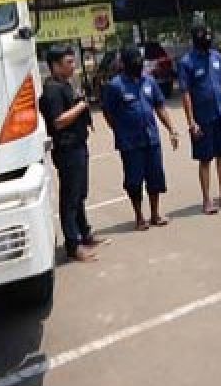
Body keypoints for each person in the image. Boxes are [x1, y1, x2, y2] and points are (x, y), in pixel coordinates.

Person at [101, 47, 181, 231]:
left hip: (151, 139)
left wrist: (171, 129)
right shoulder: (115, 86)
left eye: (140, 61)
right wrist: (119, 129)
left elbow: (159, 107)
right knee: (134, 181)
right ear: (124, 65)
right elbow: (108, 113)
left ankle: (155, 214)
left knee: (155, 178)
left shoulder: (149, 81)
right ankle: (139, 216)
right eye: (134, 62)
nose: (138, 65)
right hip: (130, 143)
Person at [38, 45, 106, 262]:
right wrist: (81, 107)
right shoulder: (52, 90)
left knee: (79, 194)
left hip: (78, 145)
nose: (73, 65)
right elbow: (58, 122)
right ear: (55, 66)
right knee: (70, 197)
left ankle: (84, 233)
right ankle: (73, 245)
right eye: (68, 62)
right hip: (66, 149)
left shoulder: (65, 85)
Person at [179, 24, 221, 214]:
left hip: (220, 114)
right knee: (205, 159)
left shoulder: (217, 57)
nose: (206, 38)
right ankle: (207, 200)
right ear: (195, 38)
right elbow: (186, 93)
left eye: (208, 35)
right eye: (202, 35)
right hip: (202, 118)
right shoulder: (187, 62)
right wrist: (191, 122)